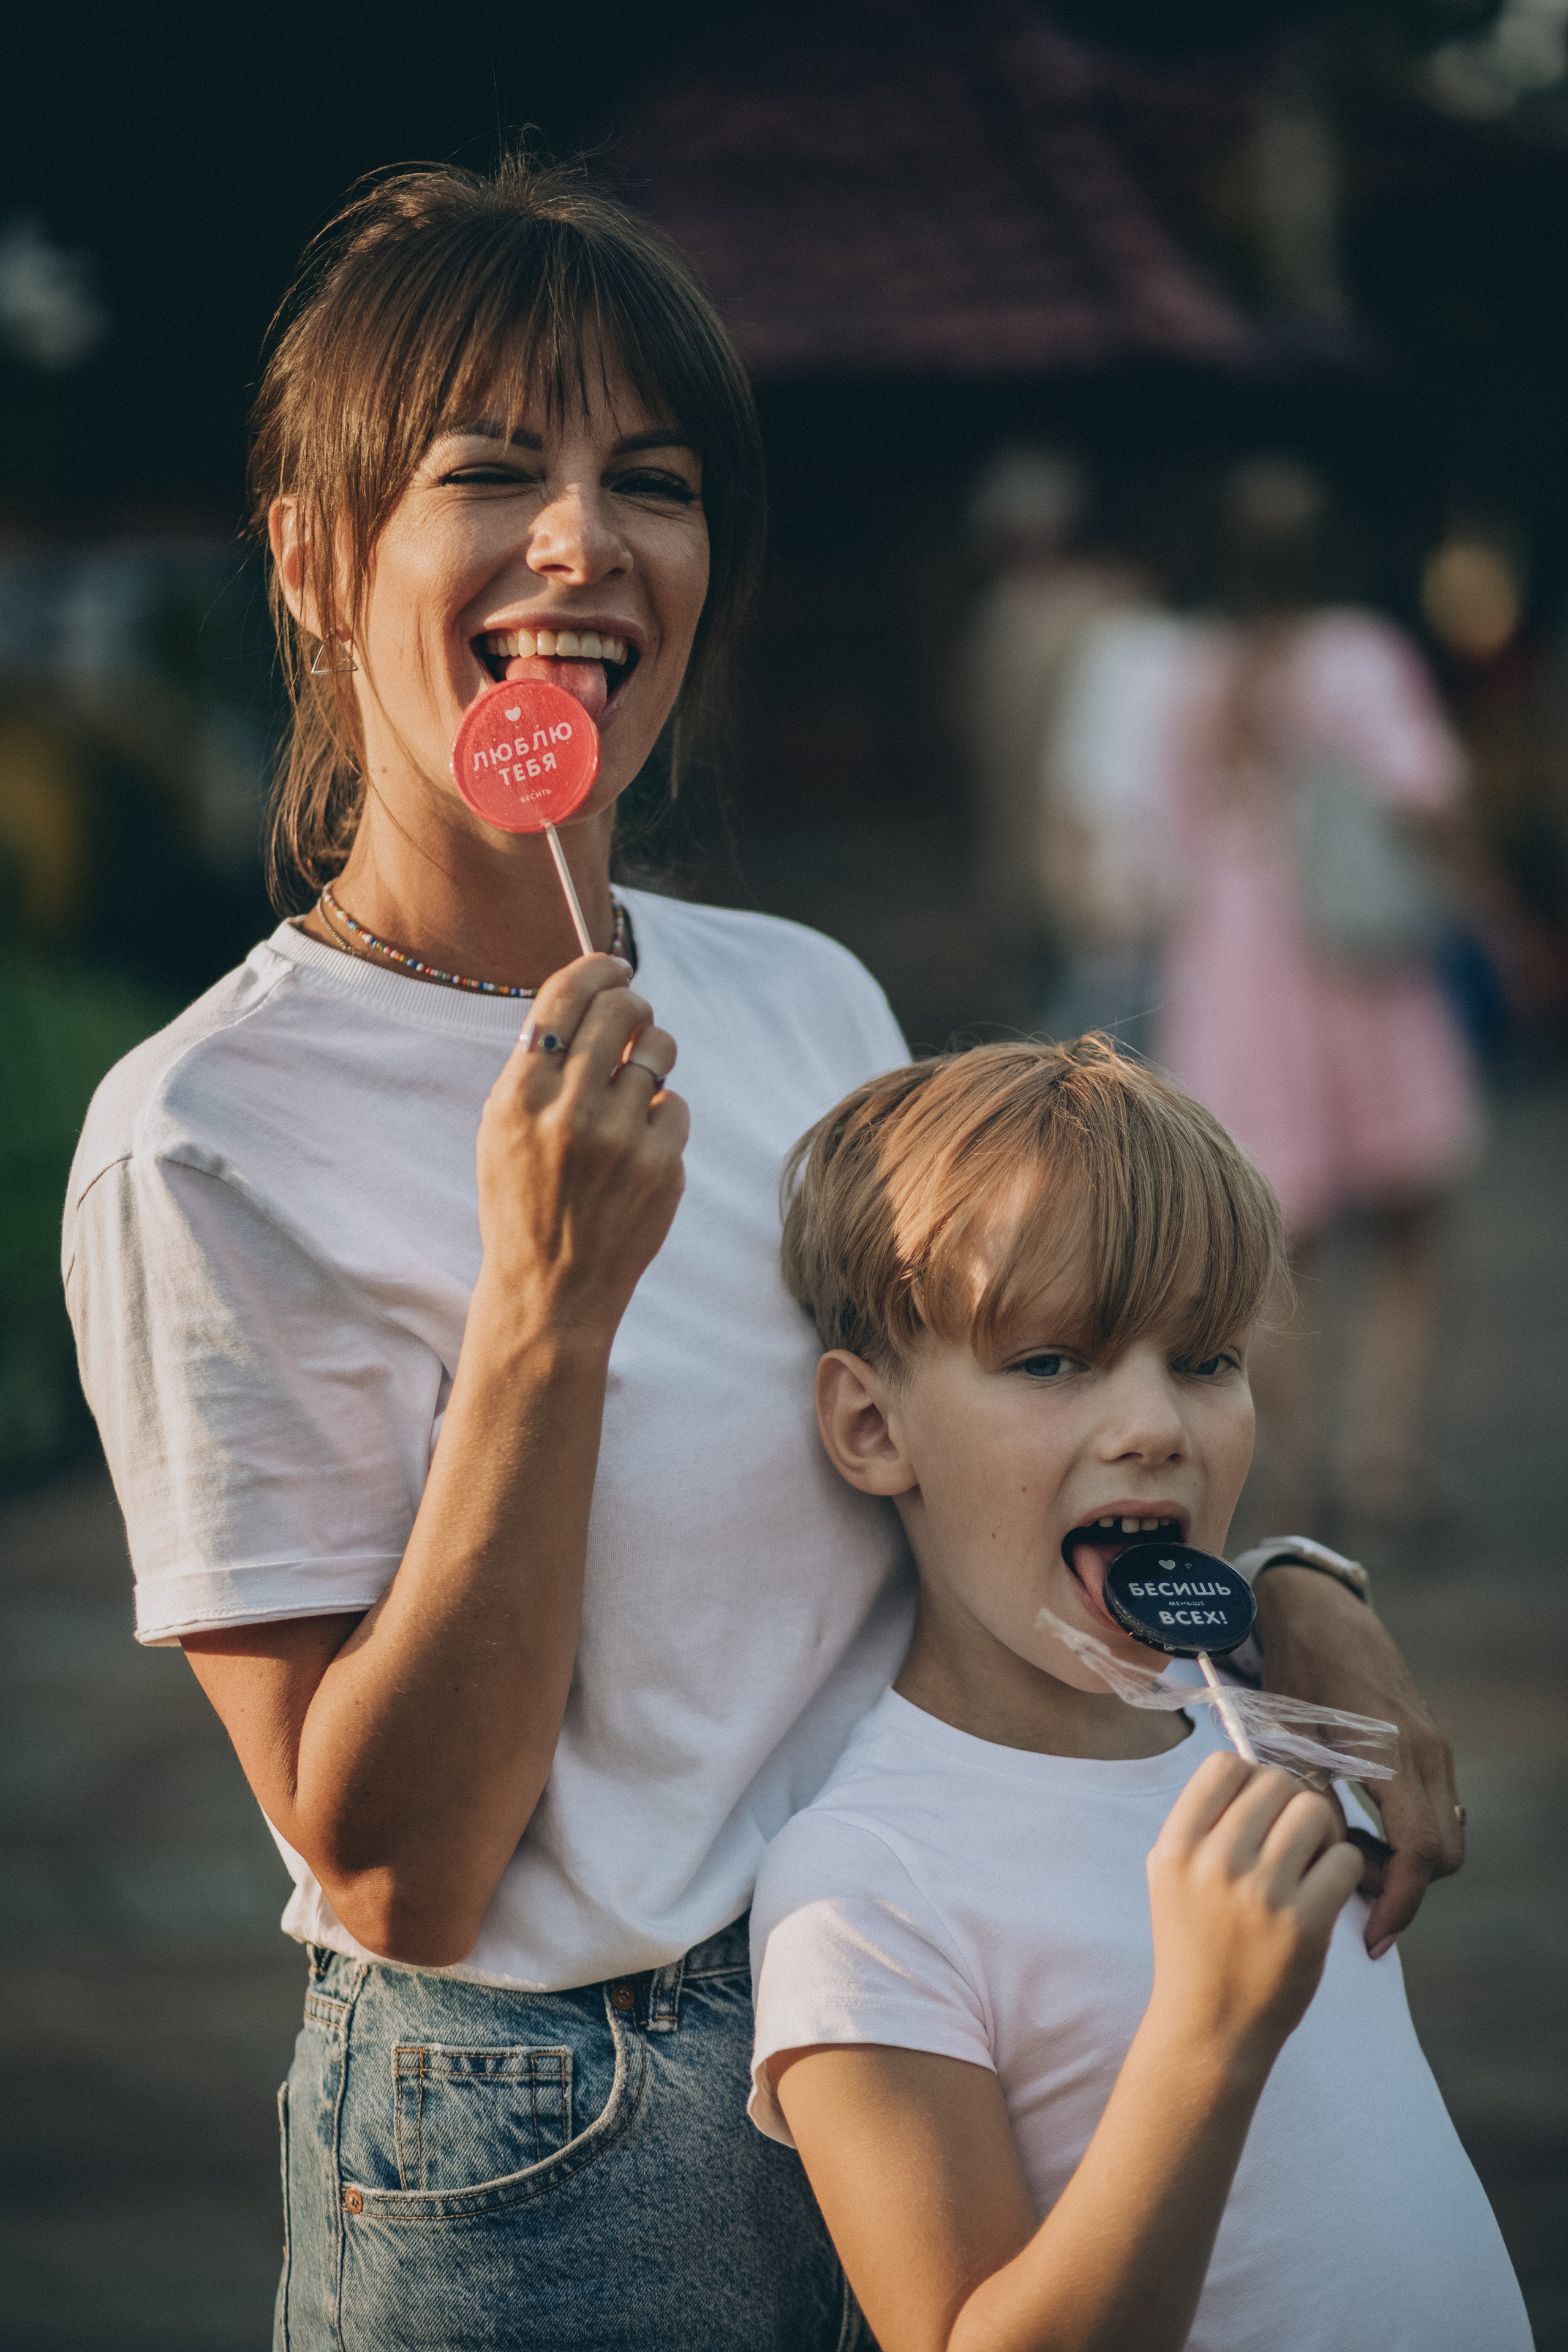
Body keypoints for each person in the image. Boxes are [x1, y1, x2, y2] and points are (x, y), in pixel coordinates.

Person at [62, 158, 1464, 2349]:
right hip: (547, 2143)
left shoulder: (807, 1000)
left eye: (655, 479)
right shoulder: (205, 1135)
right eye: (491, 471)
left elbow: (1001, 1474)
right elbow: (400, 1869)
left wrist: (1292, 1597)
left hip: (936, 2031)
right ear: (318, 558)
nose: (583, 544)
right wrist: (547, 1311)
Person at [750, 1038, 1528, 2352]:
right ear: (872, 1429)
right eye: (1050, 1362)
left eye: (1206, 1360)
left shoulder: (1264, 1716)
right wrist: (1208, 2035)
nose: (1154, 1424)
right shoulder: (863, 1887)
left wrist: (1300, 1584)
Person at [1155, 459, 1482, 1531]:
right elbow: (1426, 794)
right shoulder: (1360, 655)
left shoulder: (1190, 673)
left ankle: (1288, 1470)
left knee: (1275, 1239)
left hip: (1237, 968)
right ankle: (1382, 1457)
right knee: (1406, 1224)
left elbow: (1161, 835)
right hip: (1355, 963)